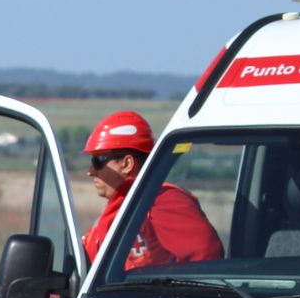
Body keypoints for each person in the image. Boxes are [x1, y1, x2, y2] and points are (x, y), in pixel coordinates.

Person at [81, 110, 223, 268]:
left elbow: (206, 263)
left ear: (127, 164)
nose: (90, 171)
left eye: (98, 161)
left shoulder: (164, 200)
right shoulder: (122, 206)